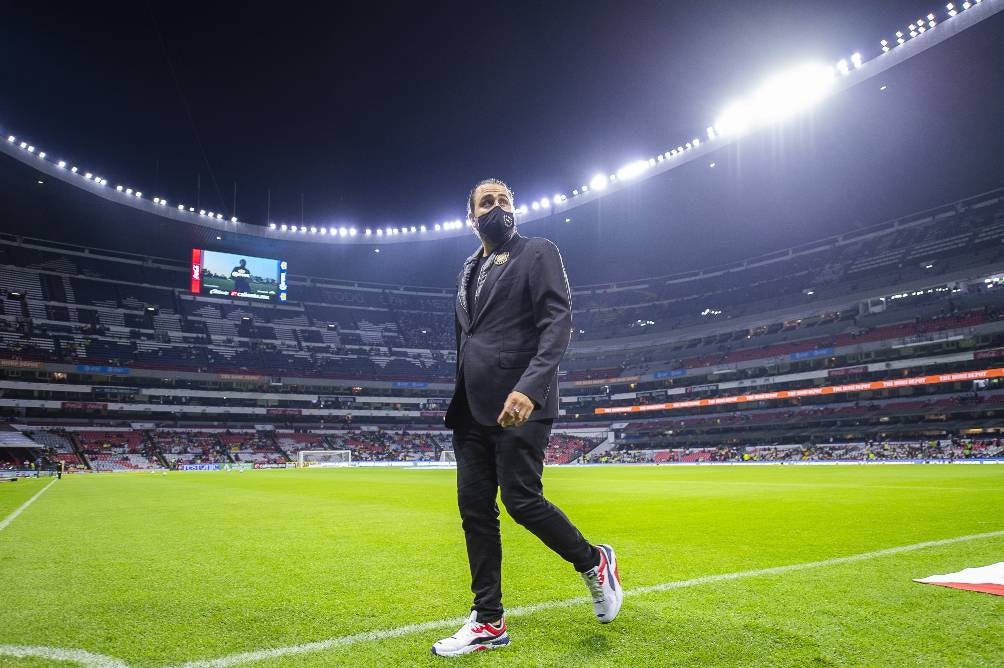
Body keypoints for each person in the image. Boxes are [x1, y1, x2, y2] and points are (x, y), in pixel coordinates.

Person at [431, 179, 622, 658]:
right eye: (487, 202)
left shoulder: (538, 252)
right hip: (471, 409)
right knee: (475, 510)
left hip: (521, 402)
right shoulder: (467, 269)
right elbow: (468, 339)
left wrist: (529, 389)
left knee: (521, 501)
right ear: (471, 216)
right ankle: (489, 621)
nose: (498, 207)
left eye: (505, 200)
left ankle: (594, 560)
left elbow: (556, 323)